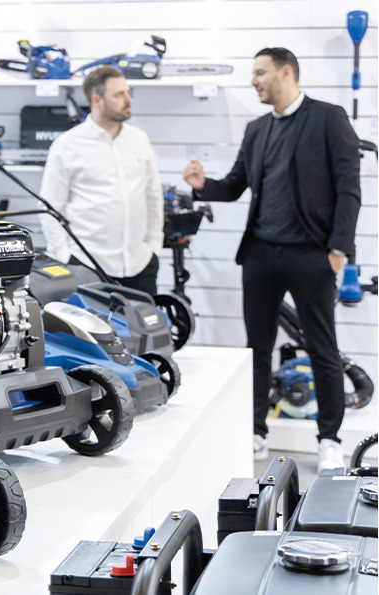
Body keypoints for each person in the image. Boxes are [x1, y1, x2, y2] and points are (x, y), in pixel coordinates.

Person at [182, 48, 360, 472]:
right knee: (257, 348)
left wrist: (338, 251)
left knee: (322, 348)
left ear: (286, 72)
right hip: (260, 253)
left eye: (260, 72)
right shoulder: (257, 128)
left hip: (311, 254)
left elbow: (349, 188)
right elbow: (234, 185)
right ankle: (255, 431)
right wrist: (203, 185)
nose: (253, 81)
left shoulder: (328, 118)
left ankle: (329, 438)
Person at [39, 66, 163, 296]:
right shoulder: (67, 145)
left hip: (140, 264)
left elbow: (153, 197)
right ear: (96, 100)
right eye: (119, 94)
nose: (128, 100)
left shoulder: (139, 139)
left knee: (145, 321)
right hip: (87, 265)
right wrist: (64, 256)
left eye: (128, 92)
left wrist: (154, 247)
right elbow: (50, 207)